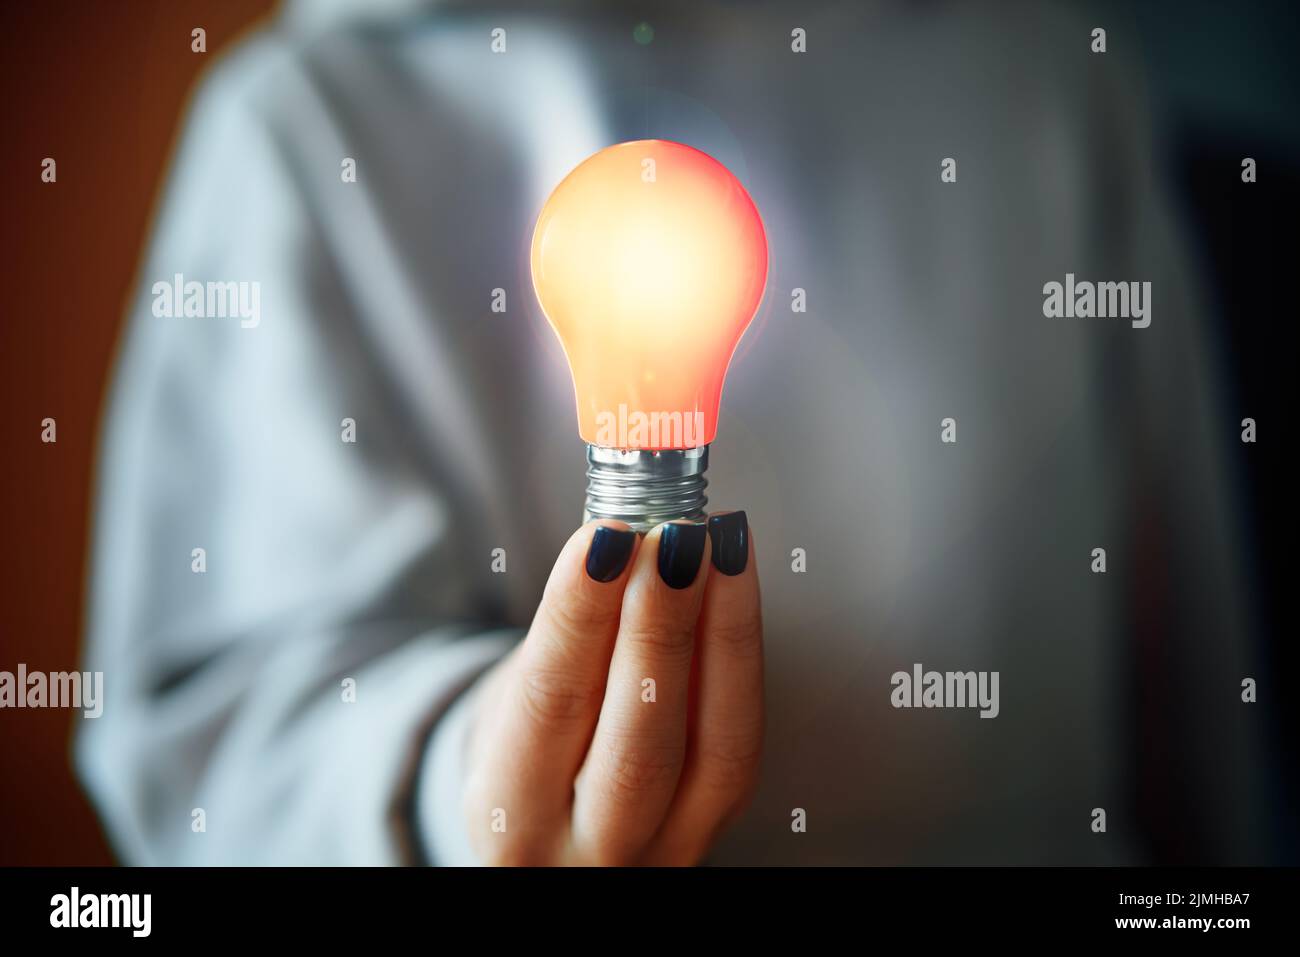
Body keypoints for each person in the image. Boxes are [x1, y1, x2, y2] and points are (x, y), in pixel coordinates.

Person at [78, 0, 1269, 865]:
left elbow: (1181, 634)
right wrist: (460, 783)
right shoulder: (314, 112)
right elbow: (210, 743)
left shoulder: (1041, 69)